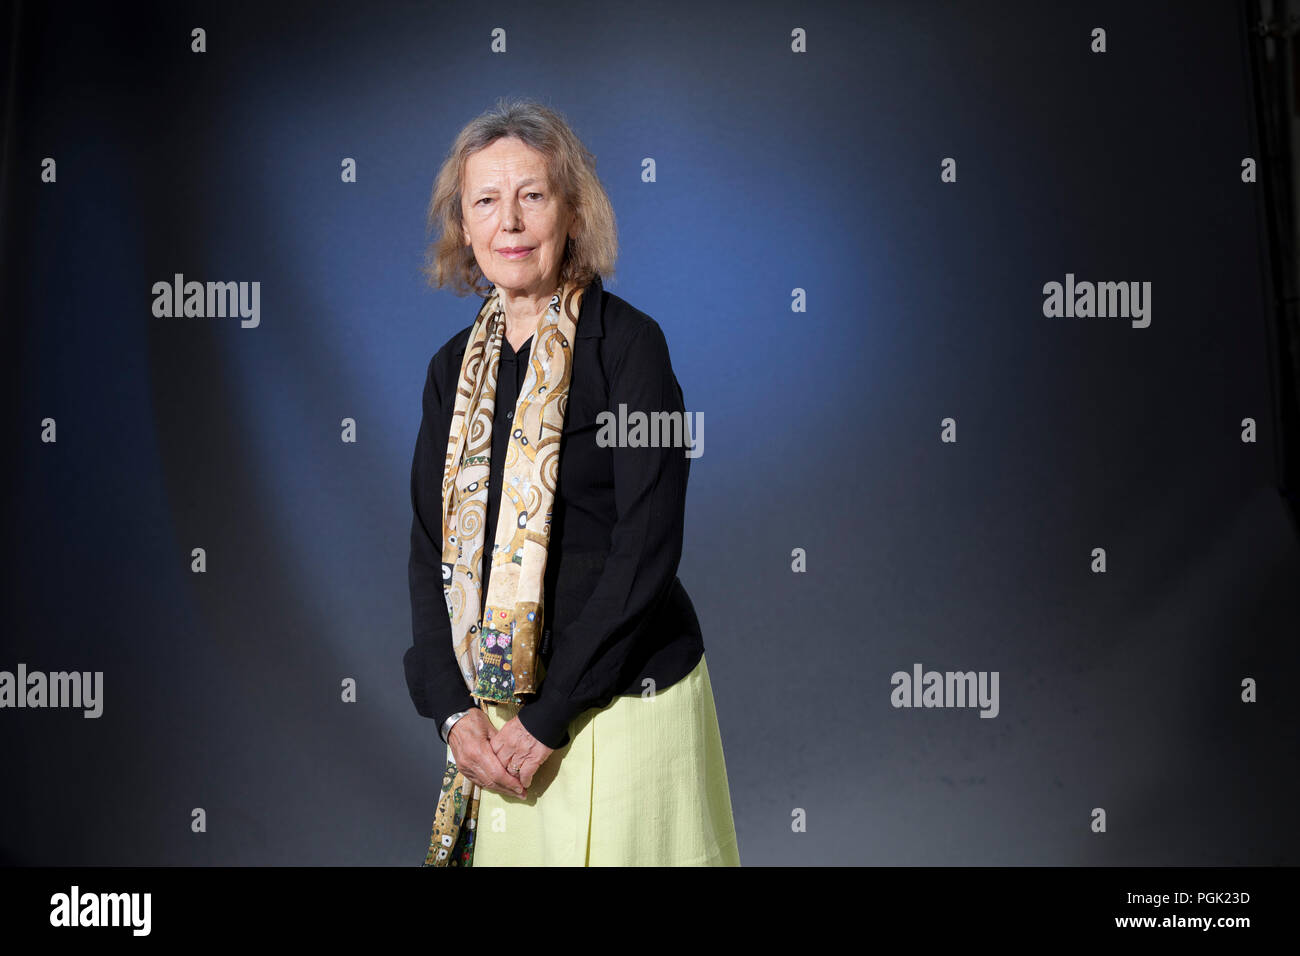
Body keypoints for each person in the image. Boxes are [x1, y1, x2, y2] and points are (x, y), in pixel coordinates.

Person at [403, 97, 739, 866]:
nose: (509, 223)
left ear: (573, 212)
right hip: (495, 728)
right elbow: (430, 552)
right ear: (464, 225)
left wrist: (550, 717)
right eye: (486, 201)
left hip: (623, 706)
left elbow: (648, 548)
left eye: (533, 196)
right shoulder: (449, 371)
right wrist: (453, 715)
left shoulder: (631, 348)